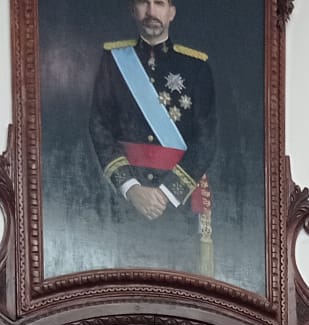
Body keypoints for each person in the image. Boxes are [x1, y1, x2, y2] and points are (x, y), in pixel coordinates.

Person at [89, 0, 218, 275]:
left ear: (171, 12)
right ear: (132, 10)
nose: (151, 11)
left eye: (159, 3)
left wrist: (167, 192)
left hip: (177, 204)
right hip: (123, 201)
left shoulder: (196, 67)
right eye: (143, 3)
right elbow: (100, 126)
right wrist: (131, 187)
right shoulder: (114, 61)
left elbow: (206, 138)